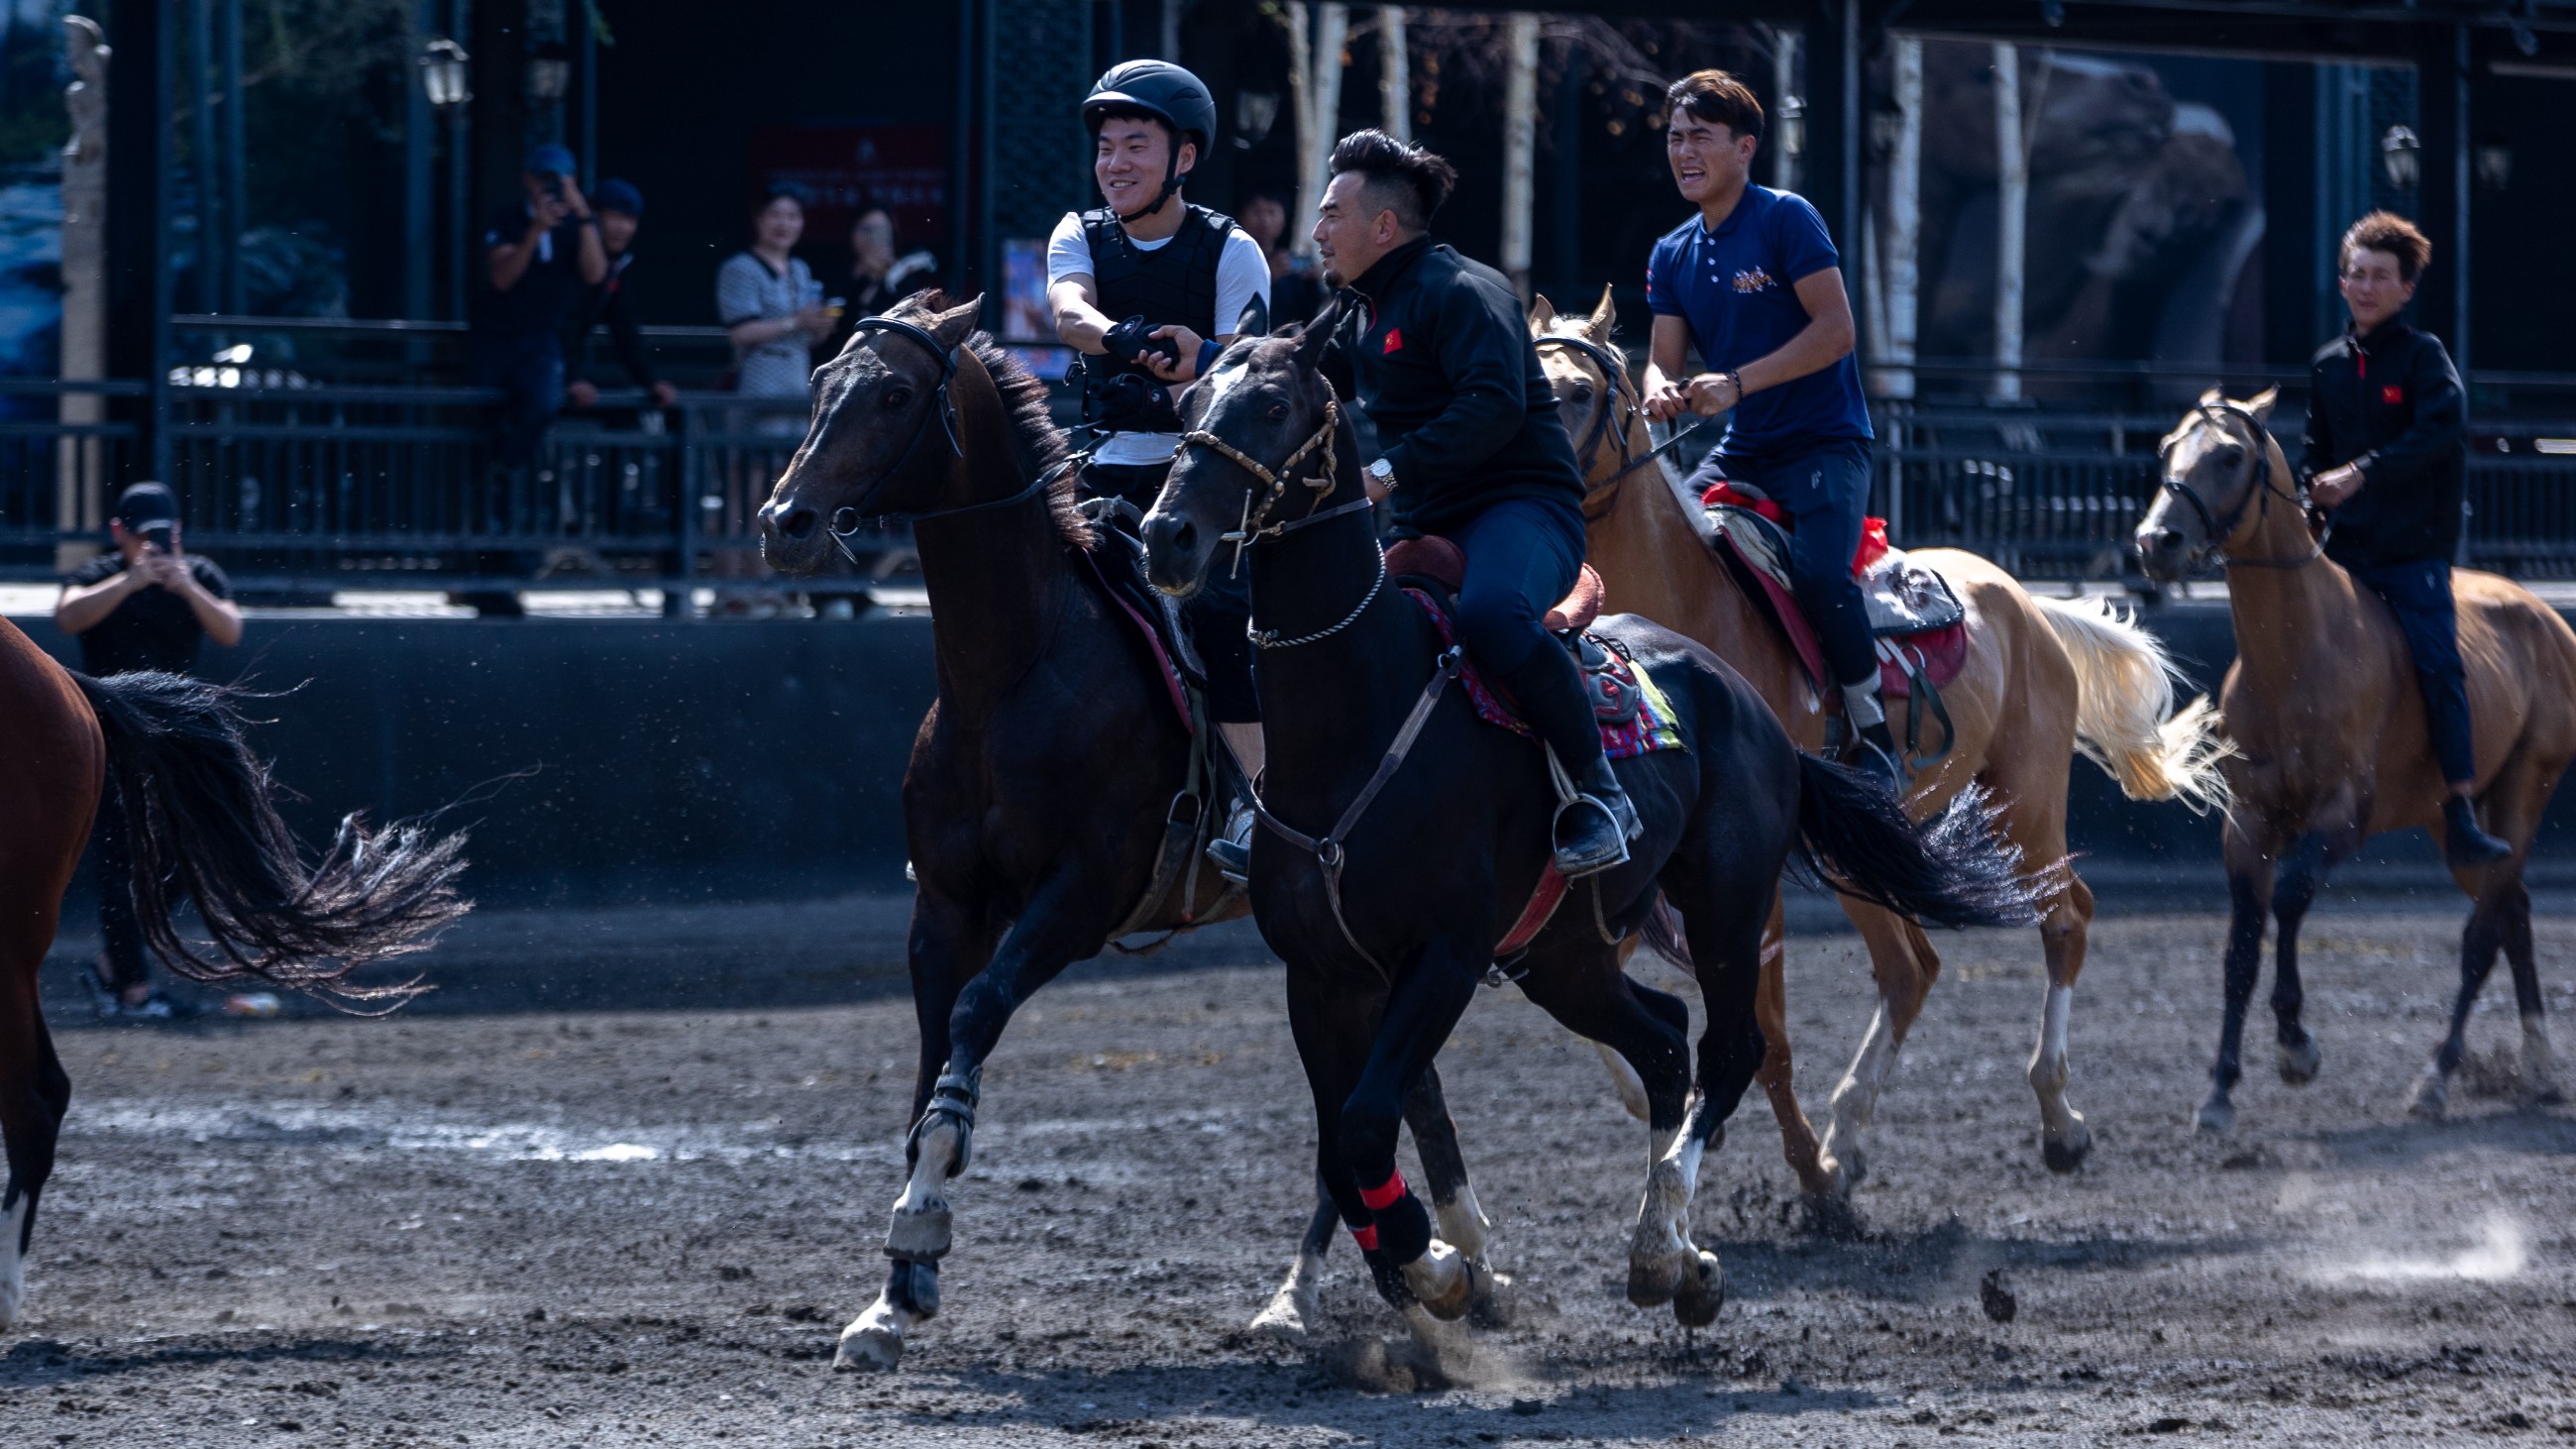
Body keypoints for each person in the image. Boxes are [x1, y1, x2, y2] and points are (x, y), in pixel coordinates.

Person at [1313, 129, 1637, 876]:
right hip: (1429, 521)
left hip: (1523, 508)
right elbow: (1292, 370)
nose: (1318, 231)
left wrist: (1382, 476)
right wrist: (1201, 357)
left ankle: (1601, 793)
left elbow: (1491, 406)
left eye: (1332, 214)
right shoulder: (1362, 310)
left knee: (1491, 615)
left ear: (1384, 226)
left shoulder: (1465, 289)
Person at [1044, 59, 1271, 875]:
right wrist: (1118, 339)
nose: (1115, 164)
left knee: (1215, 610)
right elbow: (1068, 312)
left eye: (1136, 145)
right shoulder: (1078, 232)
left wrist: (1199, 360)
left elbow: (1248, 372)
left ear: (1184, 157)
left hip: (1197, 483)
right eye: (1106, 146)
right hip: (1096, 470)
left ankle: (1257, 802)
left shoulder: (1232, 251)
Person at [1639, 70, 1888, 786]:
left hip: (1826, 441)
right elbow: (1661, 365)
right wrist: (1662, 393)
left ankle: (1872, 733)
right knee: (1672, 549)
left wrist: (1736, 384)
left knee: (1818, 574)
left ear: (1746, 148)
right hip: (1743, 448)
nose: (1684, 152)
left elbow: (1838, 332)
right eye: (1675, 138)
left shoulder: (1787, 218)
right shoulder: (1671, 252)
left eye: (1702, 138)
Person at [2303, 210, 2508, 867]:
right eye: (2355, 275)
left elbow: (2441, 430)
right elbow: (2314, 452)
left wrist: (2363, 472)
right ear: (2342, 284)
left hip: (2410, 557)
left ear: (2405, 289)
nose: (2365, 287)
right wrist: (2311, 495)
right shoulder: (2328, 366)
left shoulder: (2425, 358)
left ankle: (2461, 804)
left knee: (2440, 664)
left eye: (2379, 277)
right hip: (2343, 557)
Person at [53, 483, 244, 1020]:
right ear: (120, 534)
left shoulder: (198, 574)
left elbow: (229, 629)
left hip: (176, 738)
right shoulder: (100, 573)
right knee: (120, 862)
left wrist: (186, 587)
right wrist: (128, 581)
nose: (152, 548)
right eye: (141, 538)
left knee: (192, 852)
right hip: (112, 735)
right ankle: (132, 989)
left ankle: (116, 965)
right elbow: (68, 617)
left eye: (162, 537)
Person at [473, 142, 608, 473]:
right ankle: (489, 488)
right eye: (546, 179)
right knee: (484, 412)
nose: (552, 187)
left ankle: (506, 468)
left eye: (561, 180)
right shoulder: (508, 219)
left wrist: (584, 216)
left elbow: (595, 274)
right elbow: (502, 279)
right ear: (529, 180)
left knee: (544, 404)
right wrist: (536, 230)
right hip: (498, 337)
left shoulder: (577, 229)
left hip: (543, 340)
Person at [563, 178, 678, 414]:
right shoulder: (565, 252)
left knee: (628, 408)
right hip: (541, 365)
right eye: (615, 217)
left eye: (630, 220)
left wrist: (651, 380)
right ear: (593, 216)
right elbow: (558, 325)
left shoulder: (618, 264)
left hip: (566, 372)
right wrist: (569, 377)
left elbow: (626, 329)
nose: (622, 227)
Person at [718, 183, 829, 414]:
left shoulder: (800, 268)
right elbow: (740, 332)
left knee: (799, 448)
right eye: (775, 215)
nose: (784, 224)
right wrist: (796, 322)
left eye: (792, 216)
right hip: (760, 377)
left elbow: (808, 337)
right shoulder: (740, 267)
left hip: (798, 379)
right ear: (759, 219)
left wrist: (819, 326)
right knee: (763, 445)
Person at [815, 205, 940, 364]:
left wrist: (887, 277)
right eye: (867, 230)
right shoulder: (835, 275)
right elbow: (832, 321)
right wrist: (864, 278)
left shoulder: (903, 278)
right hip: (838, 365)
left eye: (882, 231)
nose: (875, 238)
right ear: (852, 233)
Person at [1240, 190, 1326, 327]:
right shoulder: (1234, 259)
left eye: (1271, 212)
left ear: (1284, 217)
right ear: (1242, 216)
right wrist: (1268, 277)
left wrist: (1314, 284)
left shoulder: (1287, 265)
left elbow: (1307, 321)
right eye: (1257, 212)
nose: (1265, 220)